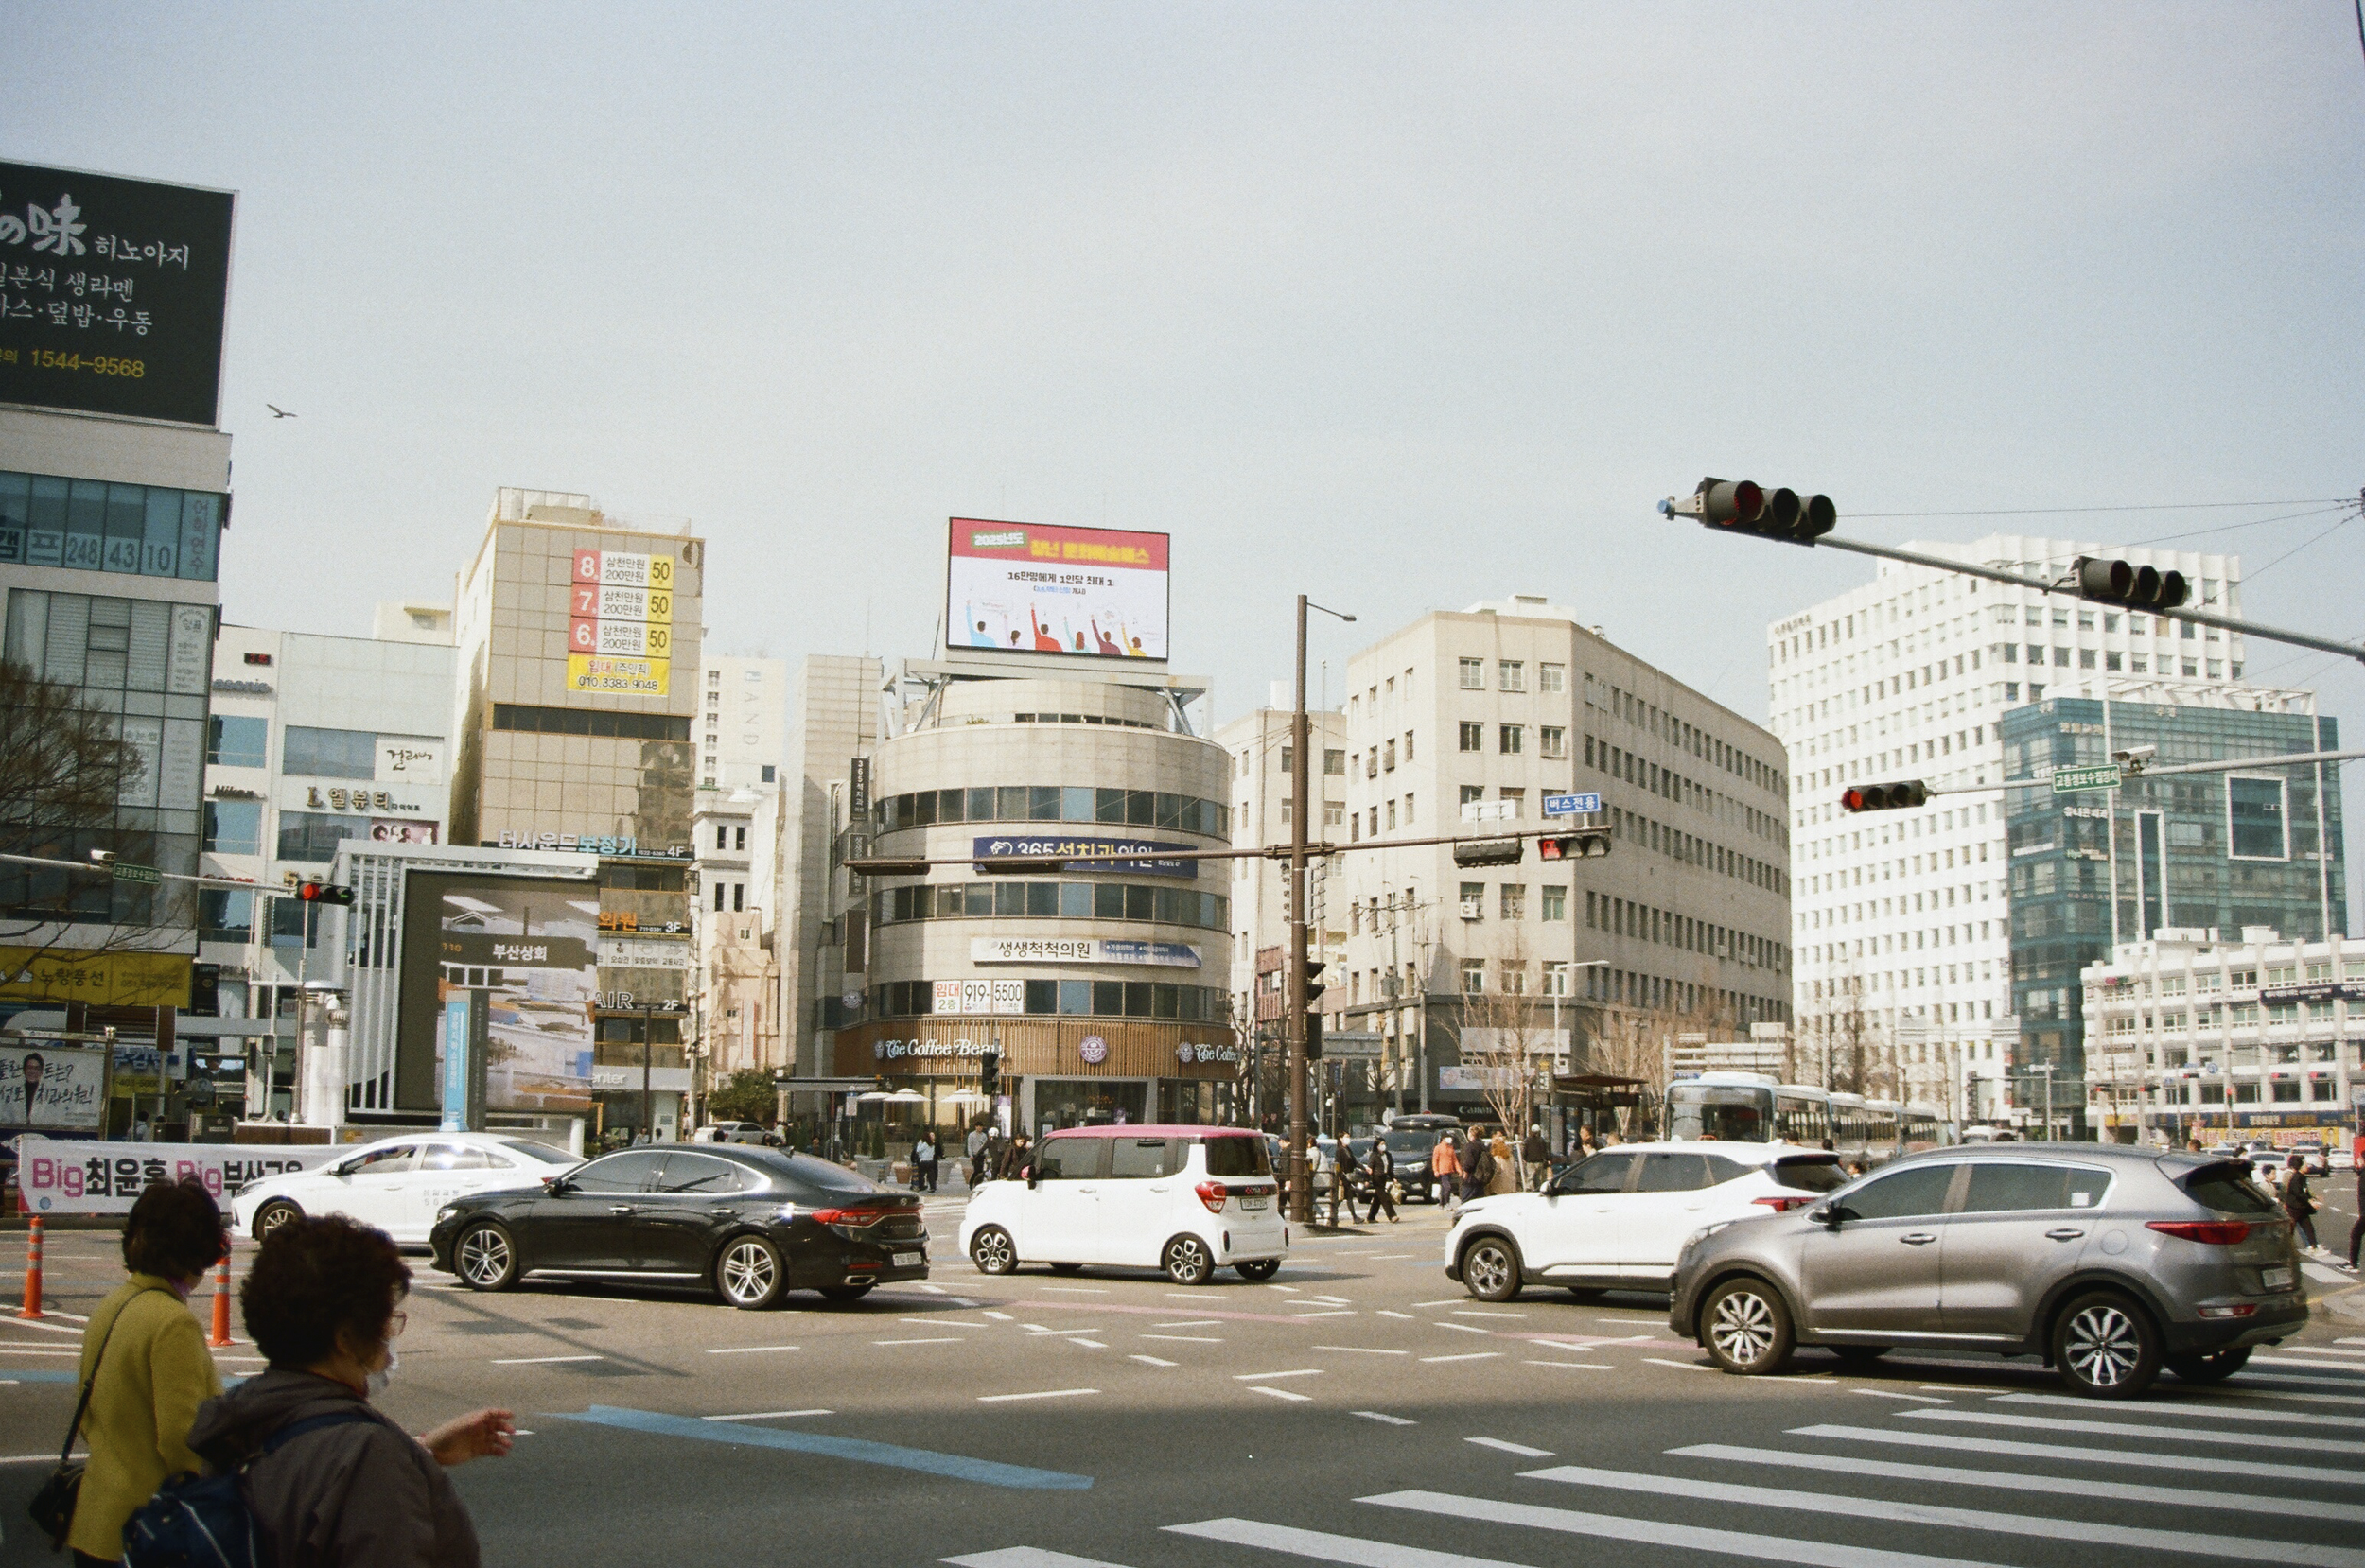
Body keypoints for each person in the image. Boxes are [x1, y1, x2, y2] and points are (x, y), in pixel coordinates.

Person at [187, 1215, 514, 1567]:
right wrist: (400, 1457)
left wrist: (421, 1450)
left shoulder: (243, 1419)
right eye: (386, 1320)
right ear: (345, 1339)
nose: (389, 1338)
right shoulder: (368, 1456)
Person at [65, 1177, 227, 1566]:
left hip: (92, 1520)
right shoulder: (173, 1323)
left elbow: (87, 1416)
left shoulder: (112, 1304)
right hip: (148, 1532)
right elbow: (184, 1439)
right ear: (197, 1252)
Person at [2280, 1152, 2319, 1254]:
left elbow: (2304, 1191)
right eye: (2305, 1164)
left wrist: (2312, 1199)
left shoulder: (2302, 1177)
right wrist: (2310, 1201)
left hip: (2301, 1208)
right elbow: (2299, 1193)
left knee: (2308, 1227)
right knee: (2290, 1229)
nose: (2307, 1166)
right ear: (2300, 1166)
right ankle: (2284, 1249)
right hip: (2294, 1208)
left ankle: (2314, 1246)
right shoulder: (2296, 1178)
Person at [1364, 1137, 1398, 1225]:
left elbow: (1390, 1168)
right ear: (1377, 1146)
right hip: (1377, 1178)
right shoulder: (1374, 1155)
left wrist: (1393, 1178)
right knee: (1384, 1197)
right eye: (1381, 1144)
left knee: (1377, 1198)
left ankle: (1371, 1216)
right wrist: (1367, 1179)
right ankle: (1392, 1215)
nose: (1383, 1146)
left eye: (1384, 1144)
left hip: (1384, 1177)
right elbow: (1369, 1168)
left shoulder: (1387, 1155)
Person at [1463, 1133, 1497, 1205]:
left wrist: (1465, 1172)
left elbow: (1469, 1163)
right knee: (1480, 1201)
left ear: (1472, 1134)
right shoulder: (1484, 1146)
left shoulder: (1470, 1146)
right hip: (1482, 1177)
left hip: (1472, 1178)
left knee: (1466, 1201)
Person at [1429, 1131, 1461, 1210]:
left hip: (1450, 1170)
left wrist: (1459, 1169)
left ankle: (1442, 1203)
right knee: (1447, 1187)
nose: (1450, 1139)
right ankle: (1447, 1203)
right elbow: (1435, 1160)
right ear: (1443, 1139)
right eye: (1448, 1137)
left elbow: (1455, 1160)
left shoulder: (1451, 1148)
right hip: (1442, 1171)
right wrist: (1435, 1170)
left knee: (1444, 1188)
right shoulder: (1438, 1148)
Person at [1521, 1124, 1550, 1191]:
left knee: (1530, 1176)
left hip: (1530, 1161)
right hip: (1539, 1161)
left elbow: (1525, 1151)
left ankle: (1530, 1188)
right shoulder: (1541, 1140)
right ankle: (1541, 1188)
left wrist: (1524, 1158)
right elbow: (1544, 1150)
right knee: (1540, 1177)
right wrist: (1546, 1159)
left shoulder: (1527, 1140)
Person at [1487, 1130, 1516, 1195]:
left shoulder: (1496, 1159)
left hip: (1498, 1189)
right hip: (1510, 1187)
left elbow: (1495, 1174)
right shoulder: (1510, 1157)